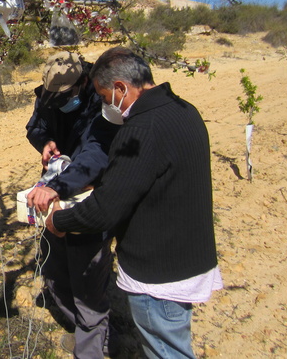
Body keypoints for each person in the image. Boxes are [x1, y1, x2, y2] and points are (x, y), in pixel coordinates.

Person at [46, 47, 223, 359]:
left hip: (160, 272)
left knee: (166, 351)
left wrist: (59, 221)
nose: (104, 105)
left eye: (103, 97)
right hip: (186, 257)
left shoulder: (141, 129)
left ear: (120, 88)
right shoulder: (183, 110)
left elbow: (105, 209)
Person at [25, 51, 120, 359]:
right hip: (54, 191)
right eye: (54, 96)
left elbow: (96, 153)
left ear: (83, 81)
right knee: (53, 268)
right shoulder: (49, 93)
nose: (59, 100)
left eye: (66, 95)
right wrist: (46, 143)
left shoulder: (101, 101)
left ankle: (95, 342)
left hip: (86, 192)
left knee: (88, 273)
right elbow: (35, 127)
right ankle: (83, 328)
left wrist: (57, 187)